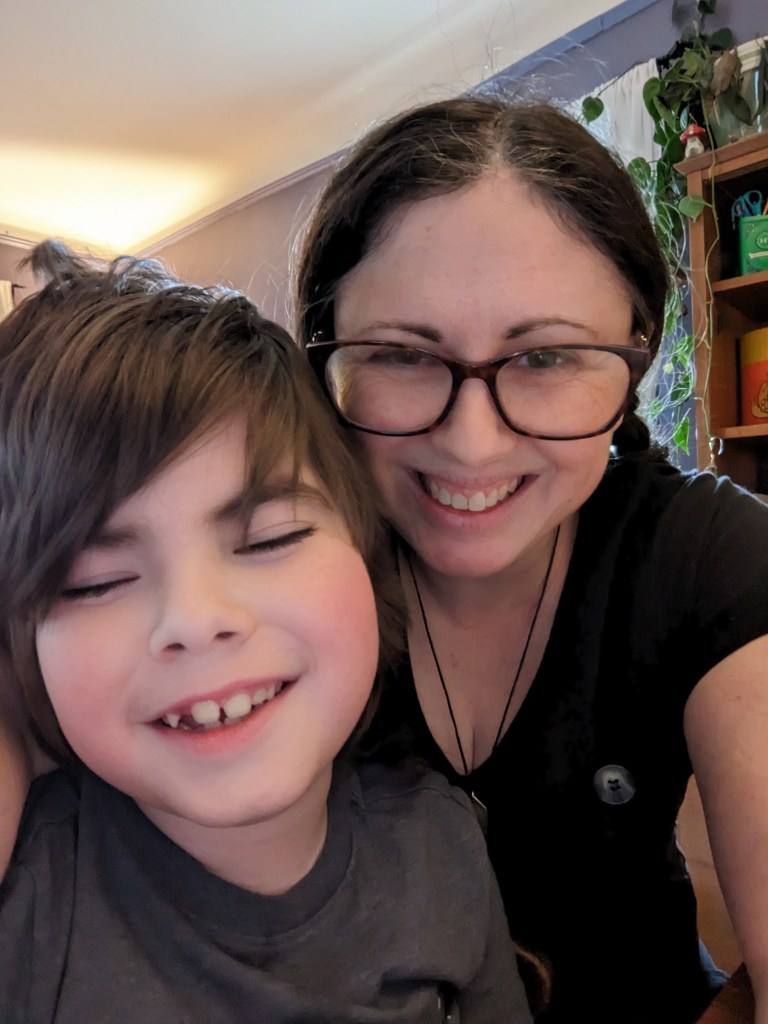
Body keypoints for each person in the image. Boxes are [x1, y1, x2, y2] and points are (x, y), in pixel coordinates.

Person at [294, 96, 768, 1024]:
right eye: (401, 356)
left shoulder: (704, 553)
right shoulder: (267, 571)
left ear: (636, 356)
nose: (472, 445)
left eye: (546, 358)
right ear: (325, 362)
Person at [0, 240, 533, 1024]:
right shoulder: (29, 903)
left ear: (369, 553)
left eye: (269, 538)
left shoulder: (439, 841)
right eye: (96, 581)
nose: (197, 619)